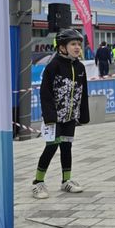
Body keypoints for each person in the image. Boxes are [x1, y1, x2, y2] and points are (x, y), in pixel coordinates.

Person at [33, 29, 89, 199]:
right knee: (51, 147)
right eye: (73, 44)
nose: (77, 47)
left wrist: (83, 115)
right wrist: (49, 116)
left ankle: (66, 180)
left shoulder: (80, 67)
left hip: (70, 116)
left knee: (66, 147)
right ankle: (38, 182)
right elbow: (45, 93)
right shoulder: (53, 66)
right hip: (54, 117)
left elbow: (83, 92)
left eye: (79, 44)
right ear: (62, 47)